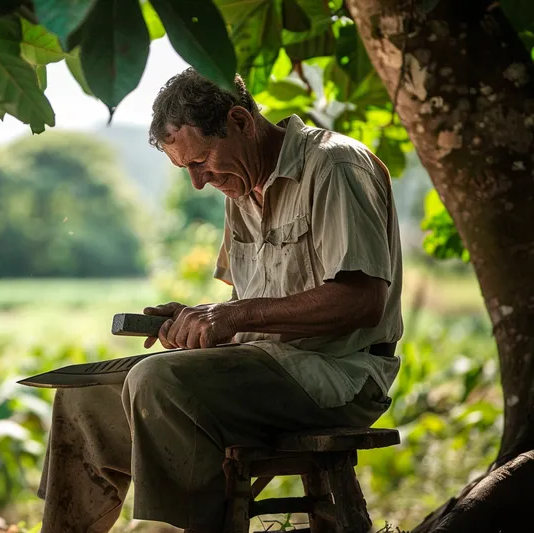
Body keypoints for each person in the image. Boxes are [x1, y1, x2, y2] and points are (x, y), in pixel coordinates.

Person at [37, 68, 403, 533]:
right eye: (186, 169)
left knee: (156, 380)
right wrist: (197, 320)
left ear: (240, 121)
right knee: (82, 399)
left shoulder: (335, 166)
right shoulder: (240, 187)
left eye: (201, 161)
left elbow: (362, 301)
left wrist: (232, 316)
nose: (198, 182)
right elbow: (249, 308)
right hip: (267, 367)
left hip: (341, 375)